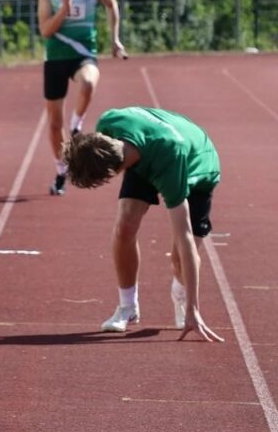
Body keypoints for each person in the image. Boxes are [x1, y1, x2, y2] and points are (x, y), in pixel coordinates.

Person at [63, 106, 224, 342]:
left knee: (180, 258)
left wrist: (193, 308)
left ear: (115, 170)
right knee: (125, 226)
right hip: (145, 151)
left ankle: (180, 296)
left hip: (196, 163)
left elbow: (185, 237)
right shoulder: (108, 123)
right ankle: (127, 307)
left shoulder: (171, 161)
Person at [37, 0, 127, 196]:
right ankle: (61, 171)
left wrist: (115, 39)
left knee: (88, 83)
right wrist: (64, 9)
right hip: (55, 56)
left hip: (84, 53)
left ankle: (76, 124)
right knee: (55, 124)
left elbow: (111, 5)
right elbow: (45, 30)